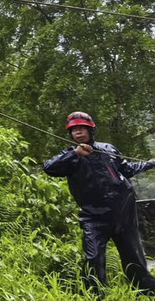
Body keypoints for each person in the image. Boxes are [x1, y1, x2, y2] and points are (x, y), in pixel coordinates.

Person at [43, 111, 155, 294]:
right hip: (93, 217)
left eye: (82, 128)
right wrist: (75, 153)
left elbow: (127, 169)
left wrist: (151, 163)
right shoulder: (70, 156)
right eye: (74, 130)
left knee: (134, 257)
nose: (78, 132)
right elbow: (49, 167)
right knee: (93, 258)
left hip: (124, 213)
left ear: (91, 130)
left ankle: (147, 292)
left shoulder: (108, 149)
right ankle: (95, 295)